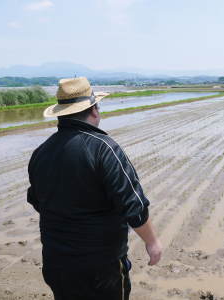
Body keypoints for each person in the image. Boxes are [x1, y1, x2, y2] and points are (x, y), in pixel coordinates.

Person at [27, 77, 162, 300]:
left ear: (61, 113)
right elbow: (135, 207)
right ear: (94, 110)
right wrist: (153, 242)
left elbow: (37, 200)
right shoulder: (104, 149)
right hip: (99, 267)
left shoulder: (41, 152)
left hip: (55, 262)